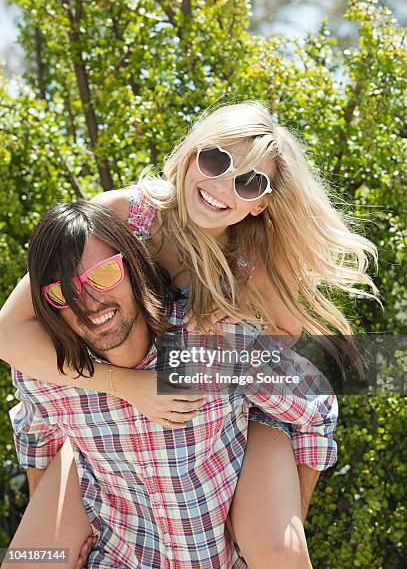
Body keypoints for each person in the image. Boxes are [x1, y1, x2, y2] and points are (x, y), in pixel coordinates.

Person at [1, 99, 378, 563]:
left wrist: (226, 318)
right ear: (189, 154)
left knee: (276, 550)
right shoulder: (121, 214)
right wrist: (125, 385)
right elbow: (9, 334)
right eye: (216, 160)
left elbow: (287, 346)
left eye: (248, 182)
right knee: (32, 558)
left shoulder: (251, 259)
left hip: (242, 408)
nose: (223, 186)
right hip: (112, 407)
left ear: (261, 202)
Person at [0, 201, 338, 568]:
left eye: (103, 275)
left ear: (133, 264)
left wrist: (292, 521)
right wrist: (53, 544)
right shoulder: (50, 374)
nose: (90, 304)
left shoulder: (214, 344)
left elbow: (314, 408)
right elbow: (36, 435)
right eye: (63, 294)